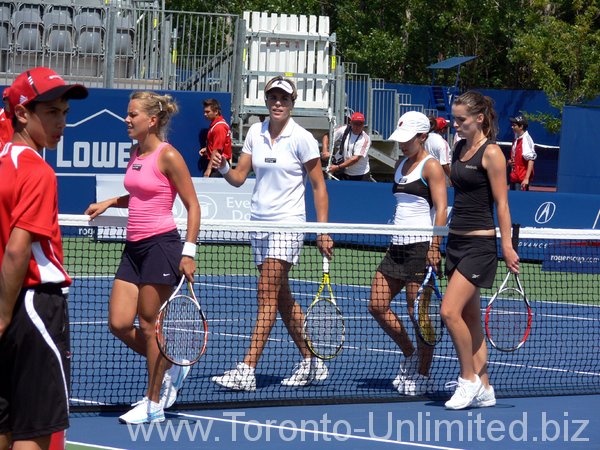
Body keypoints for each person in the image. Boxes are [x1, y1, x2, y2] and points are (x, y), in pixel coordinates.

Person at [209, 75, 334, 391]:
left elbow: (319, 185)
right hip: (259, 224)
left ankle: (247, 369)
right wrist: (223, 166)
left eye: (284, 99)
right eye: (273, 98)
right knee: (281, 298)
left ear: (292, 104)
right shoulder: (255, 132)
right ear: (267, 102)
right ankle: (312, 361)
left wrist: (322, 230)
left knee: (265, 294)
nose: (278, 103)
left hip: (288, 225)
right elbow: (239, 177)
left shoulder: (302, 138)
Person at [84, 91, 201, 424]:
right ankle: (170, 364)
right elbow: (139, 194)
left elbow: (193, 205)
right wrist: (110, 202)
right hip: (133, 249)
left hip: (161, 247)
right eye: (127, 113)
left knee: (150, 326)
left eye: (133, 114)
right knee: (119, 323)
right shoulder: (136, 153)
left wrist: (188, 252)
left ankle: (153, 404)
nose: (127, 119)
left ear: (151, 120)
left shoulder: (169, 156)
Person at [0, 67, 88, 450]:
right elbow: (18, 249)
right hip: (33, 306)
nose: (62, 123)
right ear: (23, 114)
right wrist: (2, 317)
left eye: (65, 113)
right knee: (35, 432)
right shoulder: (39, 172)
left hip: (9, 301)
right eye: (52, 112)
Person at [441, 91, 519, 410]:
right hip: (455, 242)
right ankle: (485, 388)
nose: (455, 124)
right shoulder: (459, 147)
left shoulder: (492, 154)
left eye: (461, 119)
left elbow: (502, 203)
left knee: (449, 312)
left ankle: (468, 379)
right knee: (471, 317)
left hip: (479, 245)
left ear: (479, 119)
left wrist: (506, 244)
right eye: (455, 118)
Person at [369, 111, 447, 396]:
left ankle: (424, 374)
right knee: (376, 305)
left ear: (422, 137)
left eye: (407, 139)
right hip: (397, 247)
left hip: (421, 248)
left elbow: (441, 208)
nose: (402, 144)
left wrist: (435, 247)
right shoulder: (400, 164)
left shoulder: (431, 167)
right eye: (400, 139)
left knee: (419, 315)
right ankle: (410, 353)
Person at [322, 112, 372, 181]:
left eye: (360, 124)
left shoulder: (365, 139)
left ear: (363, 125)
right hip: (345, 173)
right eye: (355, 123)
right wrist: (325, 151)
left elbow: (355, 159)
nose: (357, 126)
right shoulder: (345, 129)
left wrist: (338, 167)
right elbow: (327, 136)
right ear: (351, 122)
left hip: (361, 175)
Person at [198, 98, 232, 177]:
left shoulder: (219, 127)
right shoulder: (216, 125)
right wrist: (207, 149)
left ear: (216, 112)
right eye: (204, 112)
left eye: (207, 112)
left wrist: (209, 169)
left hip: (218, 167)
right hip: (218, 165)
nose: (205, 114)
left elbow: (217, 151)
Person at [508, 115, 536, 191]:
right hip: (514, 176)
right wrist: (510, 162)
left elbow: (531, 159)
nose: (512, 127)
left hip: (521, 179)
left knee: (519, 201)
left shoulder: (526, 140)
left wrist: (526, 179)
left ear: (521, 127)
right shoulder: (517, 137)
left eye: (514, 125)